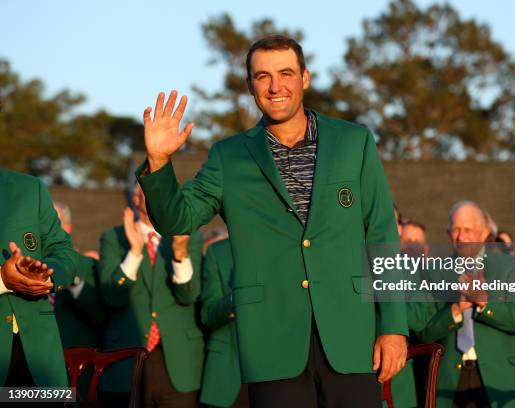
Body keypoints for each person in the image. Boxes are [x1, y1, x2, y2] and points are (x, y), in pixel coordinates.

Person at [137, 35, 408, 407]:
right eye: (262, 76)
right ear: (250, 85)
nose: (275, 86)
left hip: (351, 337)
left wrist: (393, 326)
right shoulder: (228, 156)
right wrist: (159, 163)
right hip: (270, 344)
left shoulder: (354, 142)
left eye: (285, 73)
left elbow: (382, 235)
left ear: (305, 78)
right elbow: (176, 219)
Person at [97, 184, 204, 407]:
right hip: (126, 359)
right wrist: (134, 253)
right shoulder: (113, 237)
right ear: (136, 199)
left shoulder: (187, 236)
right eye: (150, 190)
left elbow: (188, 296)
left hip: (177, 362)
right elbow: (111, 297)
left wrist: (180, 254)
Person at [419, 201, 515, 408]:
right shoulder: (434, 272)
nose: (461, 237)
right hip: (449, 381)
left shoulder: (510, 268)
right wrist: (455, 310)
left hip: (500, 379)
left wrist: (483, 302)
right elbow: (425, 332)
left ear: (484, 232)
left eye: (467, 230)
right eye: (455, 230)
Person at [0, 168, 78, 387]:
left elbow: (64, 252)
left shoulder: (31, 188)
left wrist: (45, 275)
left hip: (40, 357)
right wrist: (2, 281)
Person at [200, 238, 249, 408]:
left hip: (278, 374)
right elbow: (207, 316)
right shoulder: (217, 252)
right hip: (227, 375)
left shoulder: (283, 246)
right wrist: (237, 296)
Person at [52, 201, 106, 349]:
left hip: (75, 358)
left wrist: (74, 280)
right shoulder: (28, 264)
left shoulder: (87, 265)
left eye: (53, 222)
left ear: (67, 228)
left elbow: (99, 315)